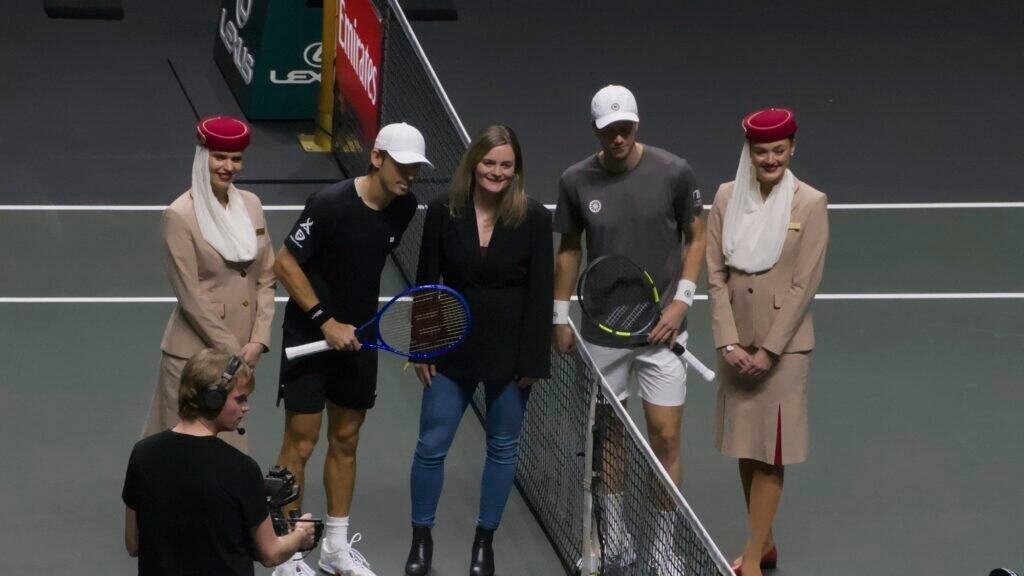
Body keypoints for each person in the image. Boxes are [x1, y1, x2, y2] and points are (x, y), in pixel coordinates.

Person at [551, 85, 705, 569]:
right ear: (596, 130)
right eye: (609, 131)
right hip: (602, 332)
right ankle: (614, 537)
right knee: (610, 440)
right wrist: (559, 315)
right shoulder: (576, 180)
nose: (618, 138)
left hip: (663, 332)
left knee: (664, 437)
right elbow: (570, 248)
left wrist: (681, 301)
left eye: (625, 128)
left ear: (636, 125)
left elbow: (697, 236)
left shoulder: (674, 172)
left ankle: (663, 546)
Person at [271, 123, 433, 576]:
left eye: (416, 168)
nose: (410, 176)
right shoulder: (328, 204)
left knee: (346, 439)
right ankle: (289, 554)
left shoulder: (404, 208)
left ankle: (335, 549)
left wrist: (350, 328)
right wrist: (325, 320)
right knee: (299, 445)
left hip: (359, 339)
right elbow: (283, 263)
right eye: (403, 166)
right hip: (309, 335)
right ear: (377, 158)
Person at [404, 125, 553, 576]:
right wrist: (423, 348)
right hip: (452, 350)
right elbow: (428, 282)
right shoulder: (441, 212)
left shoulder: (533, 218)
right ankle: (421, 539)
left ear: (516, 169)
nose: (497, 172)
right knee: (431, 446)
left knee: (503, 448)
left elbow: (540, 292)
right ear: (473, 164)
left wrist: (533, 360)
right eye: (489, 163)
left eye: (506, 165)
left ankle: (483, 544)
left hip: (510, 358)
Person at [704, 108, 828, 576]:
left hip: (784, 351)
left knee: (771, 451)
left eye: (779, 150)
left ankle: (752, 559)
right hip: (736, 343)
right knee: (746, 444)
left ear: (792, 148)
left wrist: (768, 350)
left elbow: (804, 285)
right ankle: (767, 540)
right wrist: (728, 340)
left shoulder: (811, 203)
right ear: (749, 153)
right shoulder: (725, 197)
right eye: (762, 152)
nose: (771, 158)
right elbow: (715, 275)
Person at [142, 116, 276, 452]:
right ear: (203, 157)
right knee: (178, 456)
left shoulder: (251, 205)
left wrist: (259, 339)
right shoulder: (179, 215)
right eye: (220, 157)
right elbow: (191, 296)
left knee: (226, 459)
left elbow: (266, 277)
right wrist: (233, 350)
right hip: (193, 358)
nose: (228, 166)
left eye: (236, 159)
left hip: (241, 354)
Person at [124, 348, 316, 575]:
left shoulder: (142, 454)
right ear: (213, 398)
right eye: (240, 398)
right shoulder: (241, 469)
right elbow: (271, 553)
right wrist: (300, 536)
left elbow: (133, 544)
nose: (246, 407)